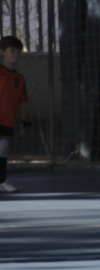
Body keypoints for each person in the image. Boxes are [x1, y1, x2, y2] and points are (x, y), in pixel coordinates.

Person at [0, 36, 28, 193]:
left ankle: (2, 182)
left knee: (3, 148)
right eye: (12, 51)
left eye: (18, 51)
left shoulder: (20, 78)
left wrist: (24, 120)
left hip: (7, 120)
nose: (15, 55)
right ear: (2, 52)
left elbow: (22, 100)